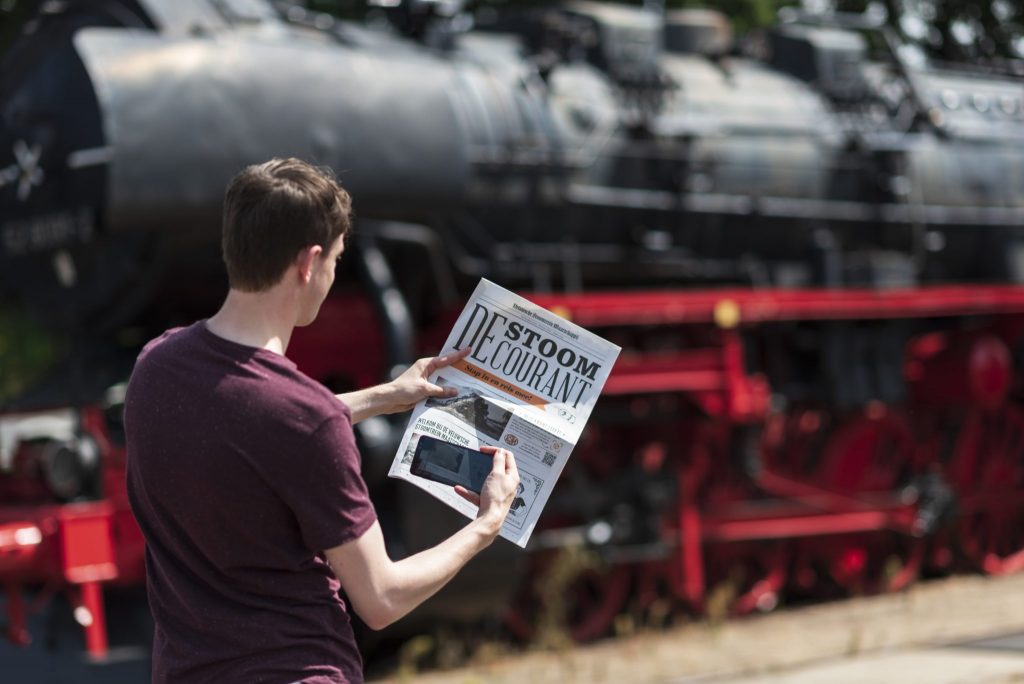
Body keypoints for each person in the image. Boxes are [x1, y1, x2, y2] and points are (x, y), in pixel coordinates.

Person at [124, 157, 520, 684]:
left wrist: (380, 397)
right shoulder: (305, 419)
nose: (333, 274)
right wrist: (486, 525)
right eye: (336, 259)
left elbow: (248, 421)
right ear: (309, 263)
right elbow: (381, 598)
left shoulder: (155, 367)